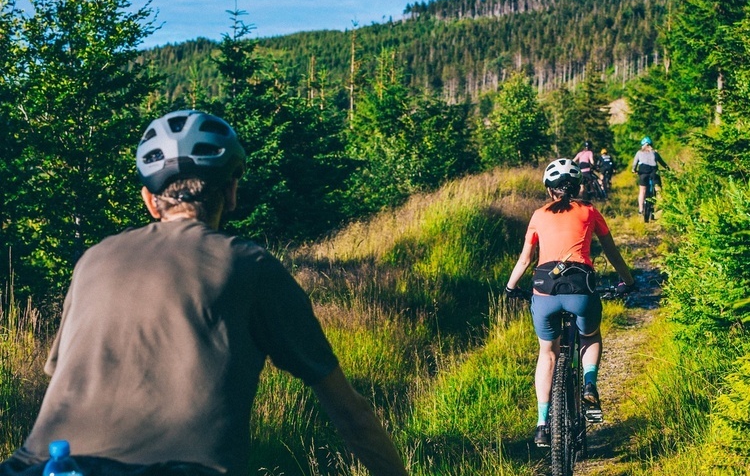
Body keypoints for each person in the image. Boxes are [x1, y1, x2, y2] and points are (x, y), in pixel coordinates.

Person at [0, 110, 409, 476]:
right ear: (230, 192)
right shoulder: (250, 266)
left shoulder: (94, 259)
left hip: (41, 465)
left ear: (149, 201)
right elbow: (349, 413)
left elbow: (58, 375)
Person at [504, 159, 635, 447]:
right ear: (576, 187)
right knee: (590, 334)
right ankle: (589, 383)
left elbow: (525, 260)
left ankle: (541, 424)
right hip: (581, 288)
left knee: (547, 353)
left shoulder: (538, 215)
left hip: (545, 290)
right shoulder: (589, 211)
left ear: (550, 190)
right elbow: (612, 253)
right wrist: (628, 281)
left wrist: (511, 287)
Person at [631, 136, 670, 214]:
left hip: (643, 172)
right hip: (654, 171)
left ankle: (641, 210)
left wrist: (634, 170)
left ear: (642, 145)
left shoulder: (639, 152)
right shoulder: (655, 152)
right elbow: (662, 162)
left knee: (642, 190)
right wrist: (667, 168)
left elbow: (634, 164)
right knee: (658, 189)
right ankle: (662, 207)